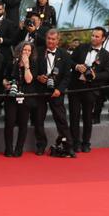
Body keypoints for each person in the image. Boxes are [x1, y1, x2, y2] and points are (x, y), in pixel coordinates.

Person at [69, 27, 109, 153]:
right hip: (75, 88)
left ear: (103, 39)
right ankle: (75, 143)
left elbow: (107, 74)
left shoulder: (107, 55)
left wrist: (95, 76)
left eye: (97, 36)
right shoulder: (81, 47)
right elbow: (69, 61)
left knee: (88, 117)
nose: (93, 38)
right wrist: (77, 66)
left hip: (91, 89)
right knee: (74, 116)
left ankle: (86, 143)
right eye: (93, 35)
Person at [35, 29, 75, 158]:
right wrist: (38, 77)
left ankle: (68, 146)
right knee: (38, 119)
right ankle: (41, 145)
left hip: (57, 92)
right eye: (48, 39)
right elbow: (32, 68)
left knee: (61, 119)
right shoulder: (38, 51)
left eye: (53, 39)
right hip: (40, 91)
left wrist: (60, 90)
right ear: (46, 39)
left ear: (58, 41)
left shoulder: (65, 54)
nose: (50, 41)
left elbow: (67, 77)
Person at [3, 41, 37, 157]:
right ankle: (8, 148)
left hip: (25, 97)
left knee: (23, 124)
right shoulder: (12, 63)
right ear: (20, 50)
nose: (26, 52)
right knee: (9, 122)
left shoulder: (33, 63)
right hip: (11, 96)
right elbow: (4, 78)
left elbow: (28, 80)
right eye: (25, 50)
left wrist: (27, 66)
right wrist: (6, 84)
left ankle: (19, 148)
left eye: (29, 50)